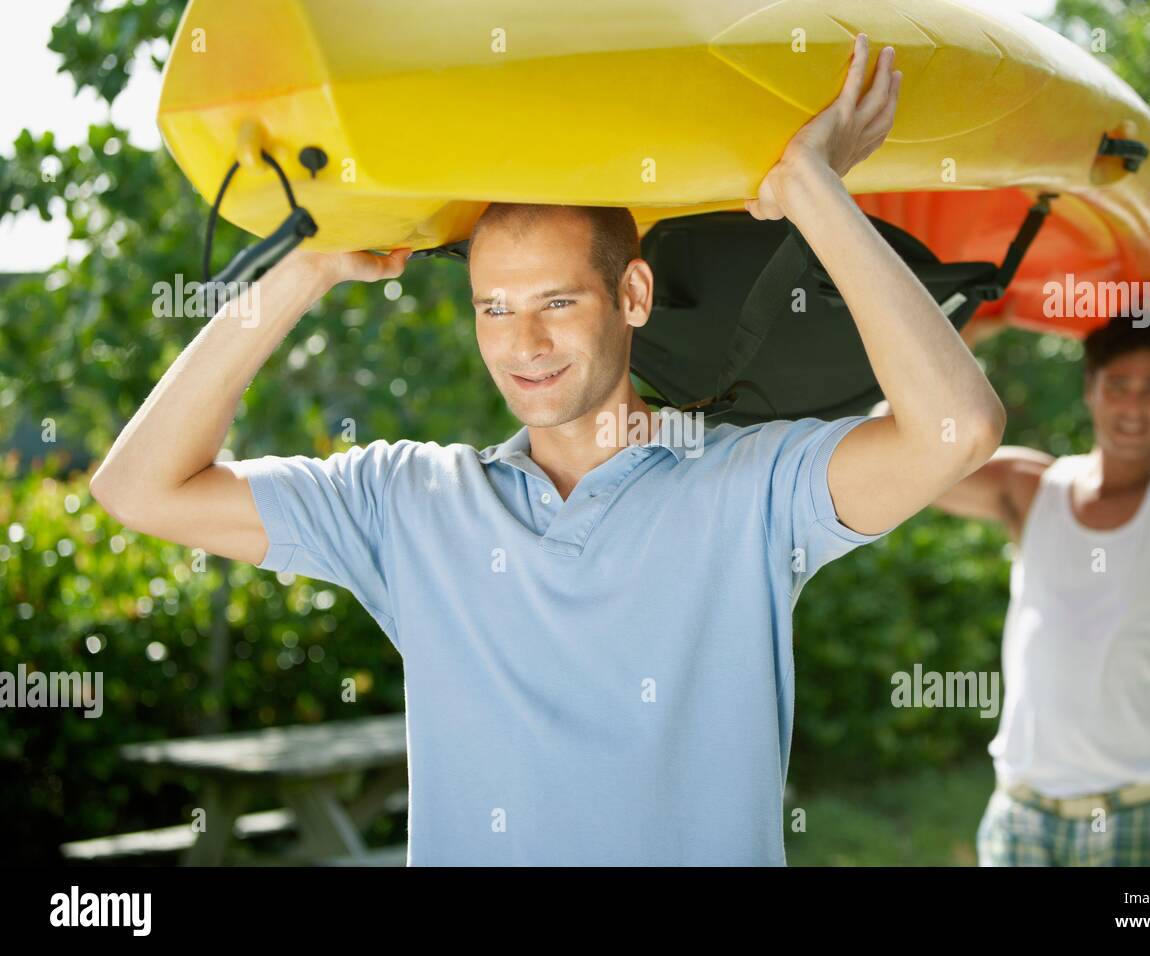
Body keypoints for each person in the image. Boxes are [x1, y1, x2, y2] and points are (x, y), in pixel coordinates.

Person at [90, 35, 1006, 865]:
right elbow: (139, 488)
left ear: (634, 296)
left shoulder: (752, 485)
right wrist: (306, 267)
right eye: (495, 307)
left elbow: (958, 429)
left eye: (557, 303)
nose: (522, 343)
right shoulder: (404, 499)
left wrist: (813, 189)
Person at [922, 266, 1150, 866]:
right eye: (1118, 384)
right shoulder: (1029, 489)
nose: (1134, 405)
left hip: (1143, 815)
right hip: (1023, 818)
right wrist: (987, 321)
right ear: (1089, 388)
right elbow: (906, 439)